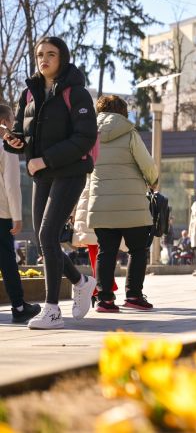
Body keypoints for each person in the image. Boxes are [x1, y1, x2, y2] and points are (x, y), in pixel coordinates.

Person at [3, 36, 98, 329]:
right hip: (42, 174)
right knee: (45, 242)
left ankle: (53, 309)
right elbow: (23, 136)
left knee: (47, 235)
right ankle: (81, 281)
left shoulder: (76, 93)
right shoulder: (28, 93)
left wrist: (44, 160)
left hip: (70, 171)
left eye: (51, 54)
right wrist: (13, 140)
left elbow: (85, 137)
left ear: (63, 58)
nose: (44, 59)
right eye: (40, 54)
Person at [84, 95, 158, 312]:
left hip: (101, 202)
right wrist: (153, 181)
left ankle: (105, 299)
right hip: (131, 203)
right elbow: (147, 164)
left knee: (106, 251)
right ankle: (134, 296)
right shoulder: (129, 133)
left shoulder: (88, 135)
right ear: (122, 111)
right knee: (137, 249)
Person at [0, 104, 40, 323]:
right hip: (1, 213)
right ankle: (18, 306)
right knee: (7, 260)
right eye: (13, 120)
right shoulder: (7, 147)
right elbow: (12, 186)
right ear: (5, 122)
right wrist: (17, 216)